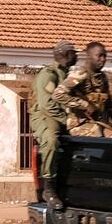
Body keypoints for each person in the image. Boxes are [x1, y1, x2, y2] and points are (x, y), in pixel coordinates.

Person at [29, 40, 79, 211]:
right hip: (44, 115)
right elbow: (46, 105)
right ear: (64, 55)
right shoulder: (48, 74)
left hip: (62, 115)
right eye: (73, 52)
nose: (76, 56)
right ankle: (48, 187)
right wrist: (67, 121)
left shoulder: (69, 75)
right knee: (51, 140)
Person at [52, 42, 112, 138]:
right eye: (99, 56)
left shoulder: (102, 78)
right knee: (102, 138)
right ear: (88, 56)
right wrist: (85, 105)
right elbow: (58, 94)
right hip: (80, 125)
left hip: (100, 123)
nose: (103, 59)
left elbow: (109, 105)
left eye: (104, 56)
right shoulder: (80, 74)